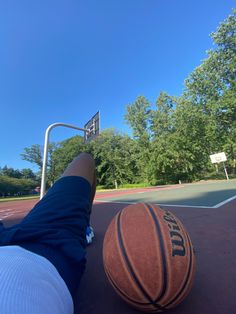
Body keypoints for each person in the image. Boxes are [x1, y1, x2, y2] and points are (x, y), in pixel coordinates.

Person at [0, 153, 96, 314]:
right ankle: (84, 226)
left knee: (84, 160)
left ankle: (84, 226)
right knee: (84, 160)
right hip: (42, 251)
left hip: (39, 247)